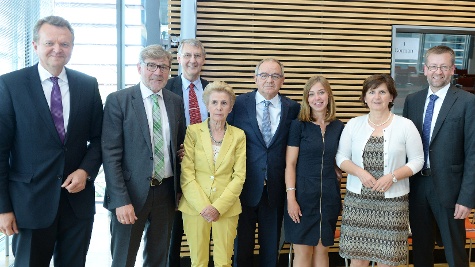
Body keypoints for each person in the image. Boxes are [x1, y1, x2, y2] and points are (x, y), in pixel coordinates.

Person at [0, 15, 103, 267]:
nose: (57, 49)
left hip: (76, 204)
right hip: (30, 205)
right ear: (35, 46)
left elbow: (101, 138)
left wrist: (86, 171)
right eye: (50, 43)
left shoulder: (87, 85)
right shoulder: (10, 85)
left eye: (64, 44)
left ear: (72, 48)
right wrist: (3, 208)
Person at [102, 44, 186, 267]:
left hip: (166, 192)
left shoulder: (175, 102)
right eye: (151, 66)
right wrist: (120, 200)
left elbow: (180, 143)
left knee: (159, 258)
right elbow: (110, 155)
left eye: (164, 67)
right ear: (139, 67)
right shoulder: (118, 100)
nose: (158, 72)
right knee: (124, 258)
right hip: (130, 194)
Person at [336, 74, 424, 267]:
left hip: (392, 203)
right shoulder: (353, 124)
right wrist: (360, 172)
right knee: (358, 259)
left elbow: (418, 160)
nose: (377, 97)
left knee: (388, 259)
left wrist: (393, 177)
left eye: (382, 92)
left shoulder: (405, 125)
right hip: (359, 202)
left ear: (391, 97)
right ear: (365, 98)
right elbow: (341, 158)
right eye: (372, 92)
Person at [403, 45, 475, 267]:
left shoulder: (467, 102)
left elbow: (473, 152)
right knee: (421, 250)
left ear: (453, 69)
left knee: (455, 253)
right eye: (433, 66)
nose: (438, 72)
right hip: (417, 186)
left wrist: (466, 197)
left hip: (450, 189)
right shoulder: (412, 101)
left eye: (444, 67)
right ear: (425, 69)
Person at [228, 58, 300, 267]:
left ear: (282, 80)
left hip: (275, 190)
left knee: (271, 251)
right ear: (255, 78)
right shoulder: (238, 104)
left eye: (275, 76)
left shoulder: (293, 108)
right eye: (264, 75)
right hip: (243, 187)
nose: (270, 80)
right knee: (242, 248)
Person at [179, 80, 246, 267]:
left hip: (226, 207)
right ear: (207, 105)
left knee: (223, 262)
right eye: (214, 102)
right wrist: (204, 206)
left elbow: (239, 176)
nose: (219, 107)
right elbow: (187, 174)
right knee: (198, 261)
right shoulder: (192, 132)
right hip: (195, 207)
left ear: (230, 108)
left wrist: (218, 207)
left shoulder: (239, 136)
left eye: (224, 103)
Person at [284, 76, 344, 267]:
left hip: (328, 196)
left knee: (322, 251)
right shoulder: (298, 125)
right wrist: (291, 199)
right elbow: (290, 164)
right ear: (306, 99)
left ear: (329, 95)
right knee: (303, 252)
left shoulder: (339, 127)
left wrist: (337, 168)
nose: (317, 98)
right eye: (311, 94)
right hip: (302, 196)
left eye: (321, 92)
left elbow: (342, 158)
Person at [165, 38, 209, 267]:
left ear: (203, 59)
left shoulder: (214, 90)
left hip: (206, 175)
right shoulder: (165, 88)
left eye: (197, 55)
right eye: (188, 55)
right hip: (173, 174)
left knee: (204, 234)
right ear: (179, 59)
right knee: (172, 235)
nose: (193, 60)